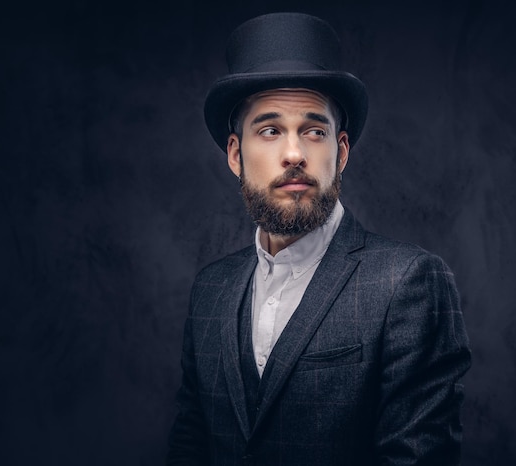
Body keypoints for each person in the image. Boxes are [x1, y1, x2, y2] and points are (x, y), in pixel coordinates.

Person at [167, 12, 471, 466]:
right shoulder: (210, 289)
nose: (294, 153)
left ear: (341, 151)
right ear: (235, 154)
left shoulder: (409, 283)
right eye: (269, 130)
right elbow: (190, 447)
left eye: (314, 131)